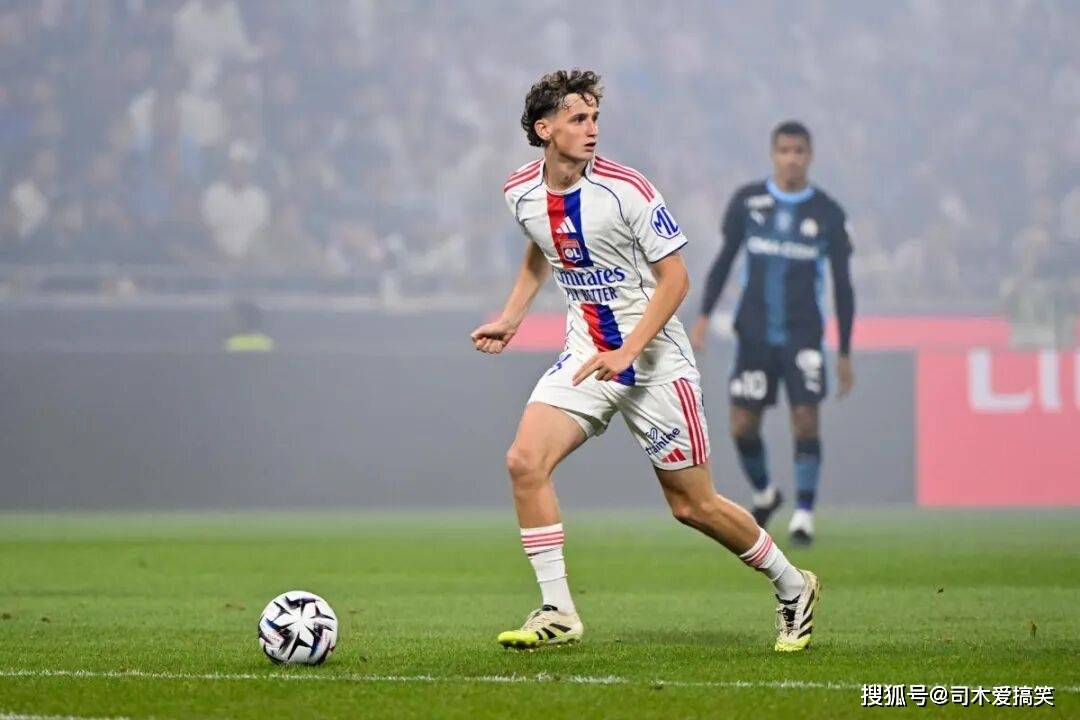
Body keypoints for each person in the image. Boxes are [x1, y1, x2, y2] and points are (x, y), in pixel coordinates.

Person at [471, 71, 819, 652]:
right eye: (578, 119)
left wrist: (629, 350)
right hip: (587, 355)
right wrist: (512, 316)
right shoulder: (520, 192)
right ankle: (558, 610)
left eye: (595, 118)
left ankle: (793, 585)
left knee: (693, 505)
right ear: (544, 129)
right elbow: (542, 245)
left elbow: (676, 278)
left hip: (654, 361)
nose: (592, 129)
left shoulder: (626, 189)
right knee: (524, 462)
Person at [690, 121, 856, 546]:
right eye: (784, 151)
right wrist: (704, 315)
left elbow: (843, 284)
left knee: (806, 419)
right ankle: (766, 493)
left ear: (810, 156)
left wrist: (844, 350)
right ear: (773, 154)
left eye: (799, 151)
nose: (792, 159)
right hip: (755, 333)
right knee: (742, 425)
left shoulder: (828, 213)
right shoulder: (748, 202)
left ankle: (804, 515)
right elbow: (725, 260)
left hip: (804, 334)